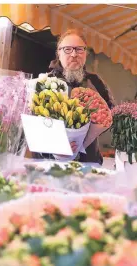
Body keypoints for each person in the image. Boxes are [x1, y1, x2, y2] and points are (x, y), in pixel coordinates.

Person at [32, 29, 115, 165]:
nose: (74, 54)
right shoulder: (44, 83)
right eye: (67, 49)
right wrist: (54, 148)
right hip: (50, 162)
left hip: (88, 161)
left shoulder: (96, 82)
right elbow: (33, 126)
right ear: (59, 52)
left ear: (85, 53)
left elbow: (109, 114)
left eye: (79, 49)